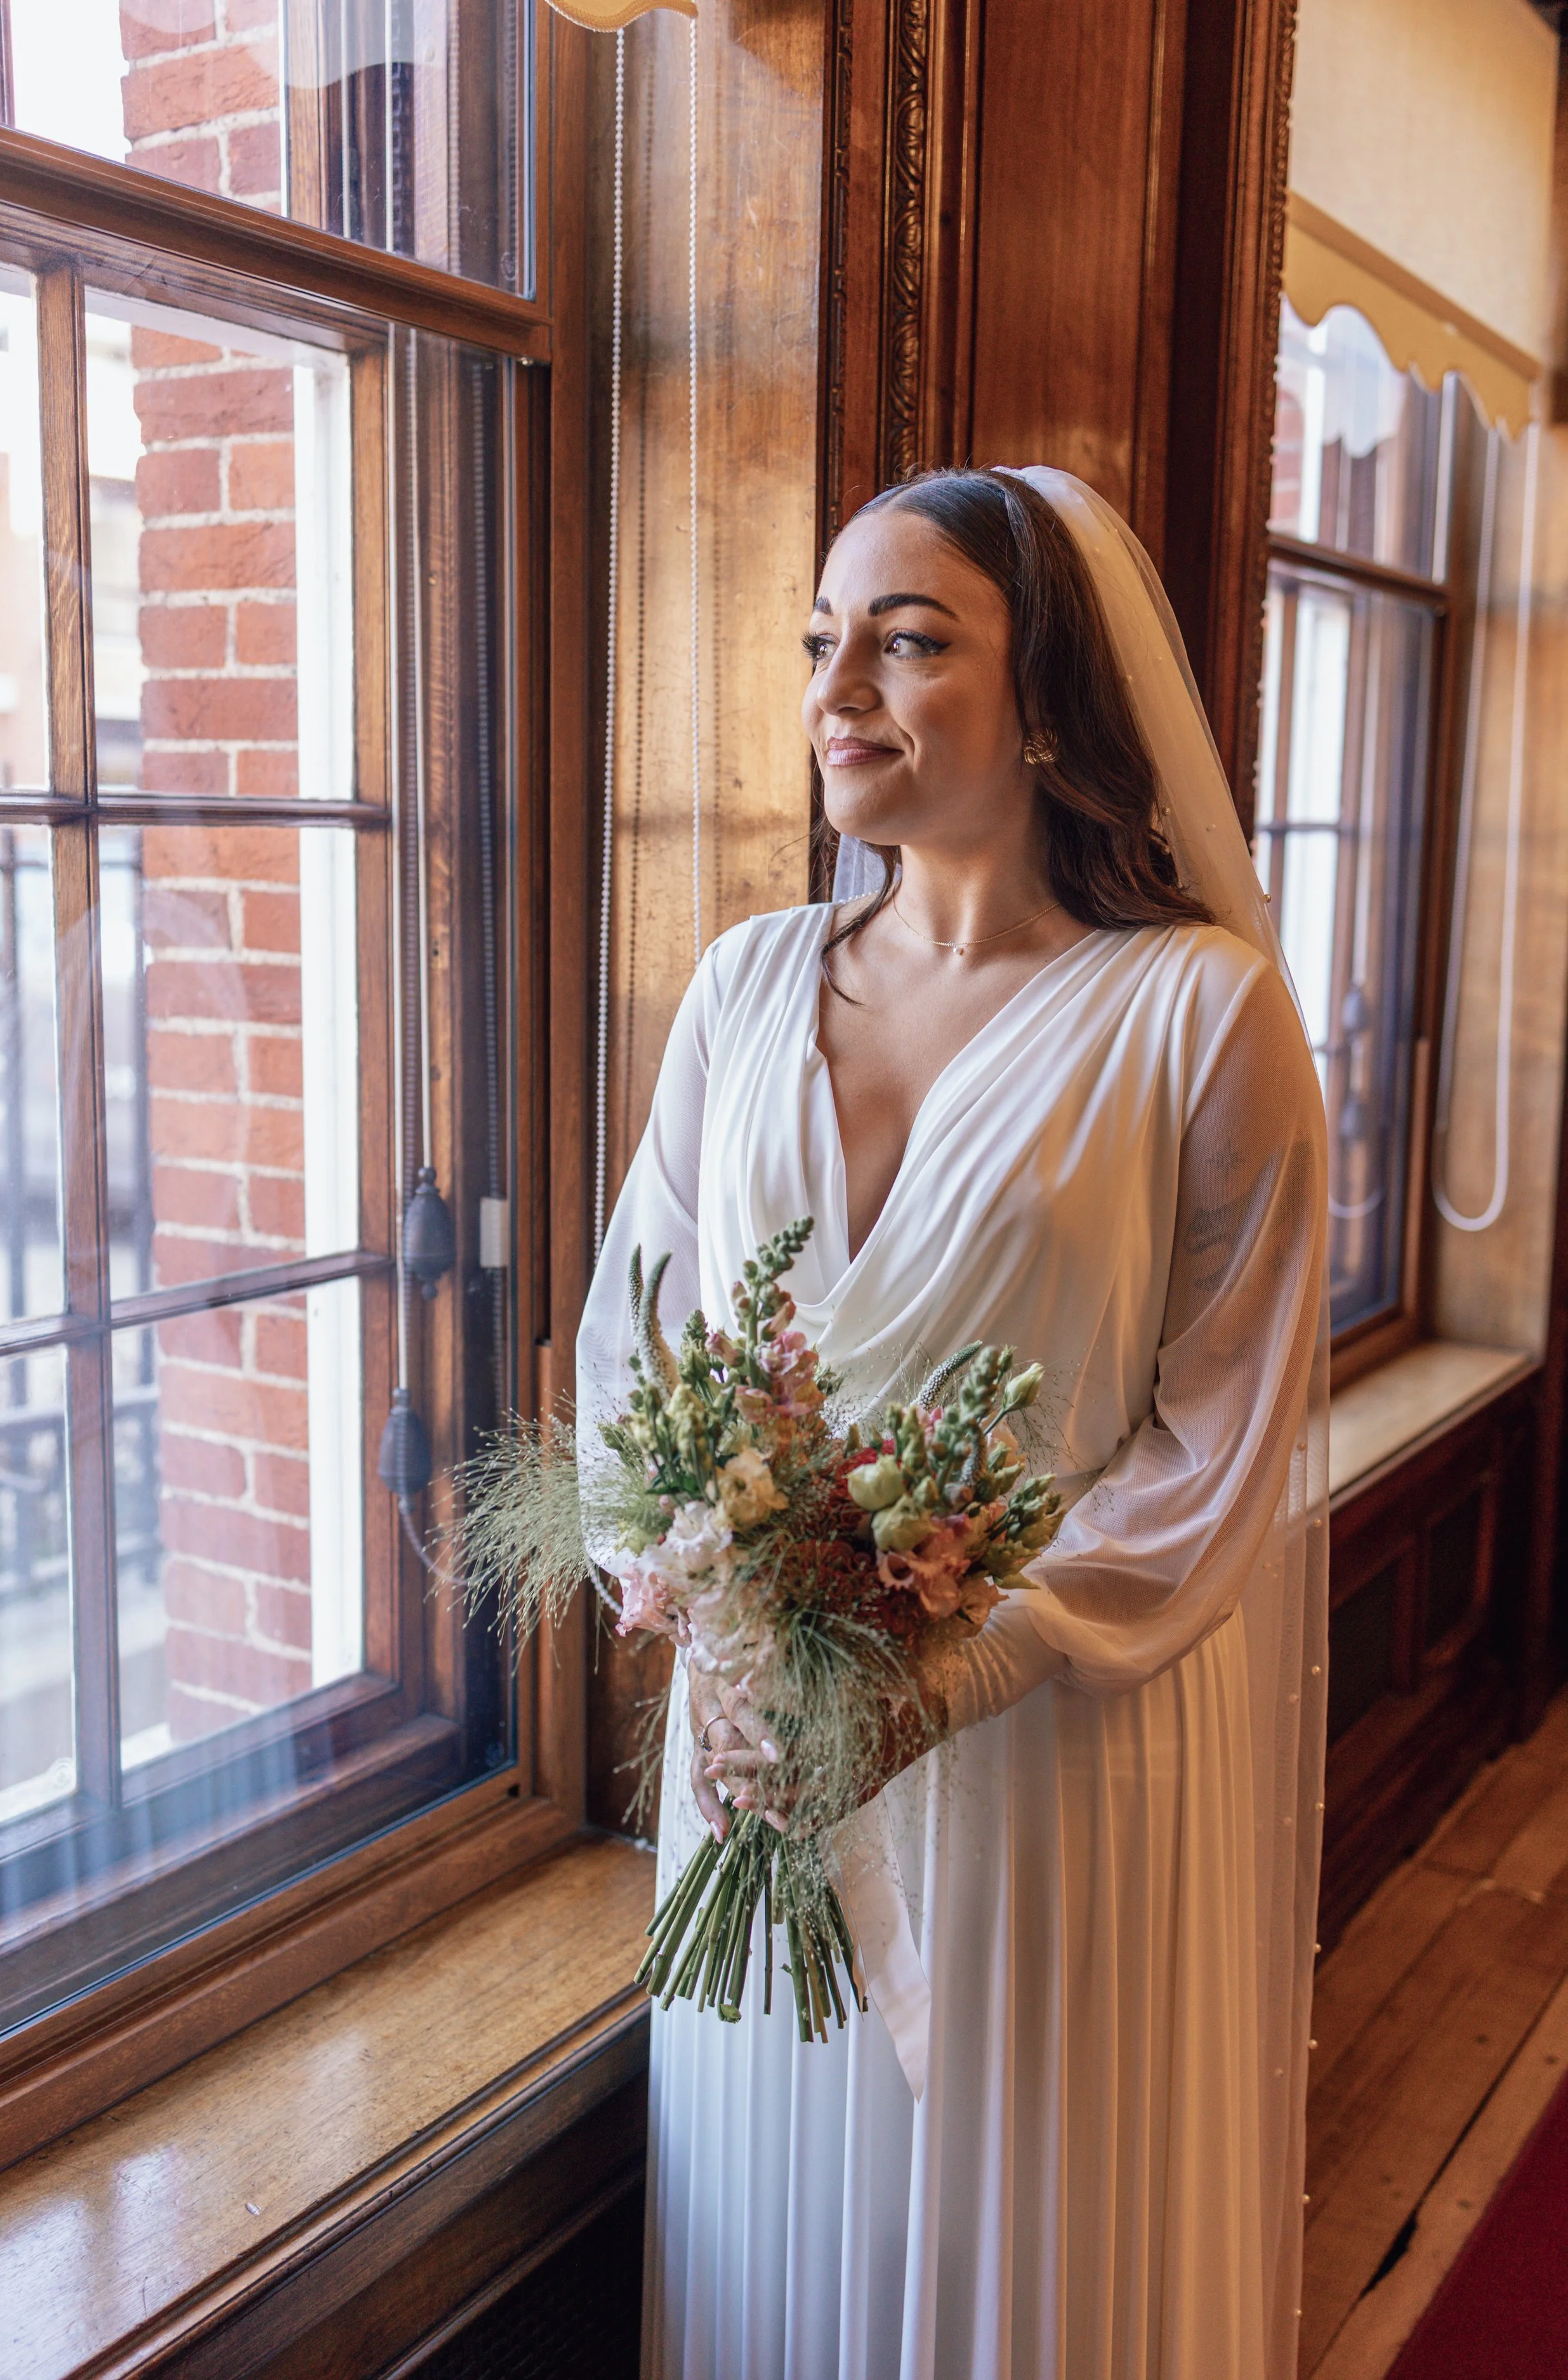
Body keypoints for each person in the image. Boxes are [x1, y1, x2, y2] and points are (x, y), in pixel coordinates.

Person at [577, 466, 1329, 2380]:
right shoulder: (748, 983)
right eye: (825, 641)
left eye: (909, 642)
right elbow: (633, 1343)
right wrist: (701, 1605)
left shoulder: (1198, 1019)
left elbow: (1211, 1448)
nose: (839, 690)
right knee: (771, 2229)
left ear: (1054, 697)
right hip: (763, 1768)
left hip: (1051, 1768)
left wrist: (942, 1676)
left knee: (1028, 2259)